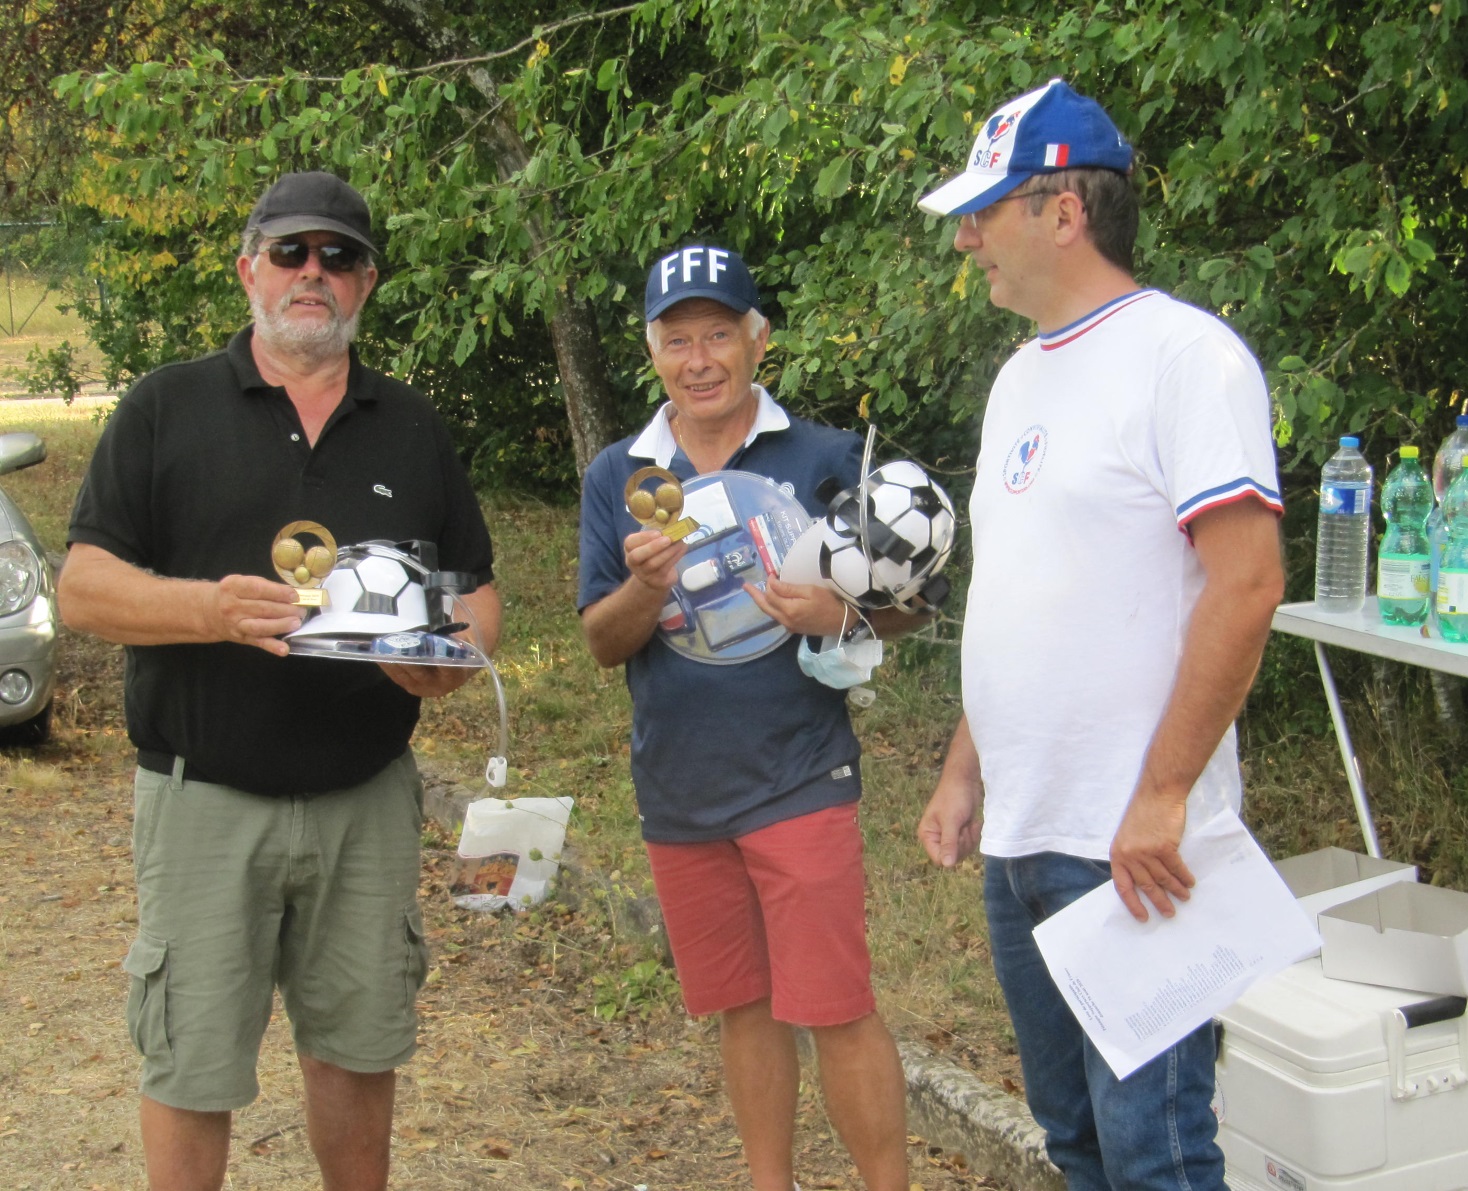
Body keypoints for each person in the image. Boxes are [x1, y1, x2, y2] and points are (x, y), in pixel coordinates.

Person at [57, 171, 501, 1191]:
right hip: (205, 798)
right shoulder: (168, 406)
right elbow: (83, 587)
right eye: (293, 252)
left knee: (358, 1048)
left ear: (367, 284)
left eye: (339, 257)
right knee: (194, 1061)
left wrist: (442, 666)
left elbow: (476, 601)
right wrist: (207, 610)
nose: (315, 274)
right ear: (250, 266)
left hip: (366, 804)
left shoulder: (411, 424)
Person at [914, 80, 1285, 1190]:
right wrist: (962, 770)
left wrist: (1164, 796)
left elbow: (1248, 584)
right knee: (1075, 1143)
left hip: (1134, 848)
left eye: (987, 209)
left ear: (1063, 210)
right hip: (1025, 835)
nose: (969, 236)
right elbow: (1024, 594)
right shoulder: (1020, 377)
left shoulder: (1187, 358)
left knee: (1155, 1155)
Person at [576, 245, 915, 1191]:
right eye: (677, 339)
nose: (699, 359)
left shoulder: (821, 457)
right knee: (744, 1008)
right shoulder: (621, 473)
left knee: (838, 1006)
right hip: (681, 783)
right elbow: (604, 641)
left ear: (757, 341)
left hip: (800, 772)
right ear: (653, 355)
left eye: (718, 333)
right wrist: (647, 589)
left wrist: (840, 611)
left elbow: (912, 599)